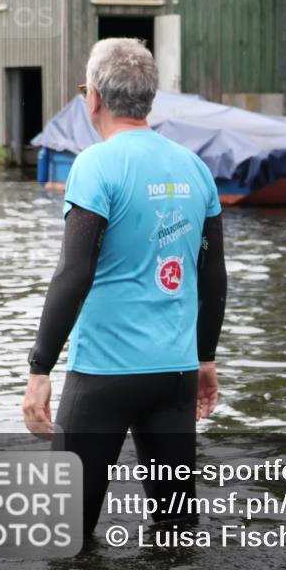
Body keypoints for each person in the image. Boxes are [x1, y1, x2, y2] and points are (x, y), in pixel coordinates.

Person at [21, 38, 227, 539]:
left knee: (66, 532)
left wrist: (40, 367)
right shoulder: (195, 168)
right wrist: (205, 359)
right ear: (149, 98)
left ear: (93, 97)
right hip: (175, 374)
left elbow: (74, 272)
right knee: (176, 532)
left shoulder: (95, 164)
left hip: (104, 377)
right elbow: (213, 276)